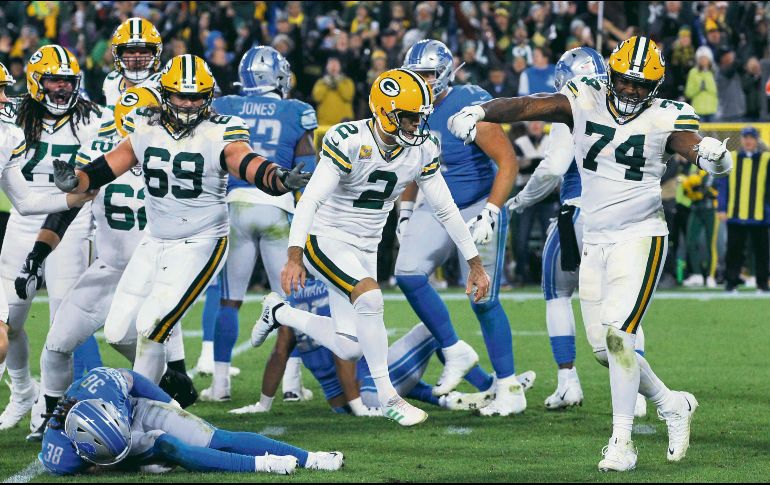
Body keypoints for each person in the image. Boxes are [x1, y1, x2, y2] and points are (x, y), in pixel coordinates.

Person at [449, 36, 732, 471]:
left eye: (642, 84)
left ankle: (622, 443)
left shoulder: (666, 114)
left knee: (621, 336)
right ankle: (671, 402)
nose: (633, 90)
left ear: (655, 85)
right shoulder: (583, 98)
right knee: (604, 349)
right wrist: (480, 111)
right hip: (596, 238)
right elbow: (528, 105)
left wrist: (714, 158)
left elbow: (691, 146)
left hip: (641, 235)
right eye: (626, 80)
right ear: (611, 76)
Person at [52, 54, 311, 386]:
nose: (189, 104)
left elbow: (245, 161)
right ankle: (169, 392)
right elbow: (106, 167)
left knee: (151, 327)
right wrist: (76, 180)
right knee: (118, 332)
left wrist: (276, 177)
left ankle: (140, 410)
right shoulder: (144, 126)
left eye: (196, 96)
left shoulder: (222, 129)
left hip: (201, 240)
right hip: (155, 240)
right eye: (181, 96)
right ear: (165, 94)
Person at [251, 68, 491, 427]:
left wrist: (474, 262)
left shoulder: (422, 148)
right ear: (383, 112)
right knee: (371, 298)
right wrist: (294, 255)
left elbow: (445, 209)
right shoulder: (348, 139)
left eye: (419, 117)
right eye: (408, 117)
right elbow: (311, 200)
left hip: (366, 246)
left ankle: (279, 313)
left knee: (350, 345)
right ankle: (389, 395)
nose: (416, 125)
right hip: (325, 237)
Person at [21, 86, 197, 442]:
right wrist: (36, 257)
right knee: (56, 346)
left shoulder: (176, 156)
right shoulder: (104, 153)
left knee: (150, 364)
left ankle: (159, 420)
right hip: (108, 270)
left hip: (151, 273)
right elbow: (66, 209)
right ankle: (54, 424)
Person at [505, 47, 648, 417]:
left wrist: (521, 200)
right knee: (626, 306)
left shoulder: (574, 107)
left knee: (557, 293)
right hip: (630, 218)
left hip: (582, 213)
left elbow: (553, 168)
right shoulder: (635, 108)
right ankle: (641, 393)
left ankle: (568, 380)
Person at [393, 40, 523, 416]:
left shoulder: (466, 104)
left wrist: (493, 211)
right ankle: (454, 350)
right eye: (417, 73)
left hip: (478, 203)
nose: (423, 80)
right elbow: (415, 163)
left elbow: (508, 161)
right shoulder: (407, 106)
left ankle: (508, 386)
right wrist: (404, 211)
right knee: (407, 272)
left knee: (482, 298)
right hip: (437, 204)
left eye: (430, 73)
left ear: (446, 72)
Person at [198, 46, 319, 402]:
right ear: (278, 77)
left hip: (234, 207)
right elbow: (305, 170)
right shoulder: (296, 110)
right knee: (289, 300)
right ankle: (292, 385)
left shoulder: (227, 106)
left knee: (229, 301)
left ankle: (220, 386)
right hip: (277, 206)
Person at [0, 46, 110, 430]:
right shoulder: (11, 114)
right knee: (10, 320)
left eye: (68, 80)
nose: (62, 88)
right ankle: (21, 392)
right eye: (54, 80)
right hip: (24, 217)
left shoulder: (95, 117)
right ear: (35, 82)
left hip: (73, 219)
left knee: (62, 319)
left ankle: (52, 404)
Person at [39, 367, 343, 475]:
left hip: (136, 410)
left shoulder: (103, 384)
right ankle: (265, 465)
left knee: (217, 437)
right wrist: (125, 463)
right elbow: (92, 467)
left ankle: (312, 458)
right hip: (118, 445)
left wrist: (172, 405)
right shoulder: (59, 458)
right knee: (170, 447)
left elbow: (138, 381)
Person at [716, 126, 770, 292]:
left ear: (757, 140)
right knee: (733, 250)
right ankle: (731, 282)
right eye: (745, 137)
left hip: (760, 214)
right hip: (735, 213)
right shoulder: (731, 158)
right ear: (741, 139)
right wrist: (722, 208)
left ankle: (762, 282)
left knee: (761, 251)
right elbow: (722, 185)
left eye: (751, 137)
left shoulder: (766, 159)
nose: (748, 141)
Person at [102, 17, 163, 109]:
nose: (137, 58)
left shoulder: (164, 85)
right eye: (131, 52)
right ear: (118, 54)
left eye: (143, 52)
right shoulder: (112, 81)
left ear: (155, 54)